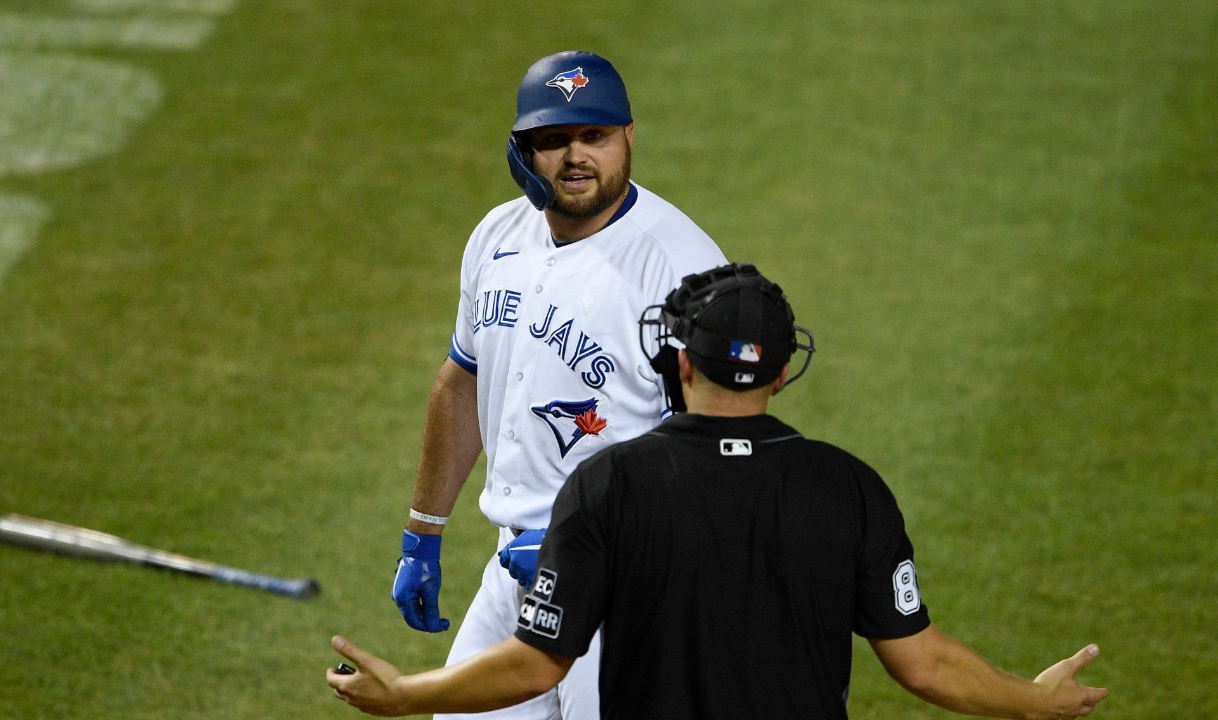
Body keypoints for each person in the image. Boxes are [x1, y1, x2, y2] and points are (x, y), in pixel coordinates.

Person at [329, 262, 1109, 720]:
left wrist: (405, 692)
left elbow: (537, 666)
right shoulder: (850, 487)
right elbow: (925, 664)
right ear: (778, 372)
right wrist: (1033, 702)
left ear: (682, 364)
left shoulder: (610, 485)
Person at [386, 50, 727, 720]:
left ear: (628, 137)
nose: (577, 157)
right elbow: (462, 383)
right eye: (554, 141)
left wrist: (593, 536)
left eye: (595, 137)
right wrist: (422, 532)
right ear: (522, 153)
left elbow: (709, 449)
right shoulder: (495, 237)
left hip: (628, 593)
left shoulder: (684, 269)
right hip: (513, 577)